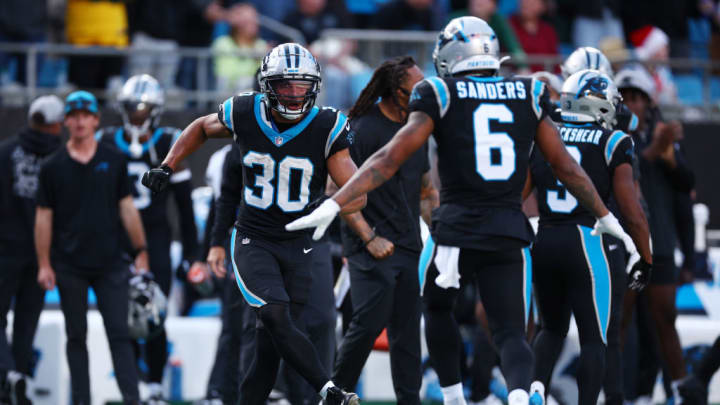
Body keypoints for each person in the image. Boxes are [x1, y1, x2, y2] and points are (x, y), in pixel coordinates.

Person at [287, 16, 631, 405]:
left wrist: (334, 201)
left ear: (451, 55)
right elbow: (567, 167)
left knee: (435, 308)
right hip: (508, 228)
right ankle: (519, 395)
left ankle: (453, 398)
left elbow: (388, 159)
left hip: (455, 229)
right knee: (511, 333)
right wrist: (604, 214)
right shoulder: (530, 91)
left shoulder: (439, 92)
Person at [142, 43, 364, 405]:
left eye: (301, 85)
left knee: (268, 345)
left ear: (315, 86)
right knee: (275, 317)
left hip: (300, 243)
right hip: (254, 239)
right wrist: (167, 165)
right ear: (266, 85)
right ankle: (329, 390)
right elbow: (200, 128)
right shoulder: (245, 112)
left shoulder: (326, 125)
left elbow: (358, 191)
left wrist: (332, 205)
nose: (294, 95)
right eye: (285, 85)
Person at [528, 69, 653, 405]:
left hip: (545, 238)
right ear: (599, 105)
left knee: (549, 329)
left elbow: (521, 193)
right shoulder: (614, 141)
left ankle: (536, 387)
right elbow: (632, 211)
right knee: (594, 340)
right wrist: (645, 256)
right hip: (586, 240)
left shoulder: (544, 134)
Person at [333, 56, 438, 405]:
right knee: (367, 323)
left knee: (408, 335)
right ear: (395, 91)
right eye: (415, 91)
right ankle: (333, 396)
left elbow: (424, 190)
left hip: (408, 245)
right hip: (368, 247)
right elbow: (337, 192)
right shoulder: (361, 128)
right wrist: (369, 237)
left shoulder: (417, 129)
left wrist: (439, 233)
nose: (421, 97)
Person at [34, 90, 148, 404]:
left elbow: (127, 207)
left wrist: (141, 251)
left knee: (120, 334)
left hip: (111, 262)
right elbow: (44, 217)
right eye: (74, 116)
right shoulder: (53, 166)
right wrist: (44, 263)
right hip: (69, 264)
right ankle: (81, 400)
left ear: (96, 120)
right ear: (66, 121)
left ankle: (132, 398)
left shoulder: (113, 159)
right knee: (76, 336)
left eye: (87, 115)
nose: (80, 121)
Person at [95, 74, 201, 404]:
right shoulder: (107, 140)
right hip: (117, 241)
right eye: (132, 109)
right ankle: (134, 385)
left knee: (153, 315)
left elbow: (185, 208)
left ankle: (153, 385)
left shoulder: (169, 142)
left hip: (155, 239)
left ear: (155, 111)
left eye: (143, 110)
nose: (137, 116)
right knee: (120, 316)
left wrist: (192, 253)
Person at [615, 64, 695, 405]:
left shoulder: (663, 140)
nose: (633, 104)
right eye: (627, 97)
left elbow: (686, 190)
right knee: (620, 324)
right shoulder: (612, 135)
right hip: (623, 244)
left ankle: (681, 392)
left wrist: (690, 255)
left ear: (649, 102)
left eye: (639, 97)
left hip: (659, 244)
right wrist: (655, 150)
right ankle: (617, 392)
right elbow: (635, 169)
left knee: (664, 321)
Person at [0, 95, 64, 404]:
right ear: (56, 124)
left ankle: (8, 374)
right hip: (43, 255)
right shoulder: (63, 157)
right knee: (27, 321)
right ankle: (20, 380)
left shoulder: (5, 152)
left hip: (4, 250)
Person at [212, 3, 267, 93]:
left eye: (255, 19)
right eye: (250, 21)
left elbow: (264, 75)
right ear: (239, 24)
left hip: (255, 94)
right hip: (229, 95)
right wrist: (253, 58)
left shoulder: (261, 44)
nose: (256, 24)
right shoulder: (223, 43)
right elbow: (228, 75)